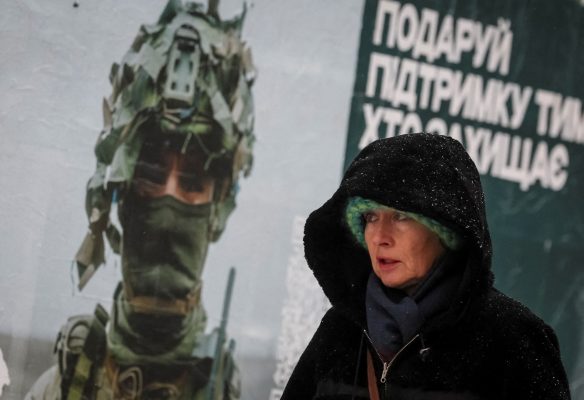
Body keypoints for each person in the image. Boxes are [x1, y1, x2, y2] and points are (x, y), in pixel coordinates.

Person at [25, 1, 256, 399]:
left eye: (192, 181)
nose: (167, 210)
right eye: (149, 175)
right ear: (120, 193)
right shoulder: (62, 388)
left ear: (217, 208)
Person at [281, 133, 571, 399]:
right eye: (370, 217)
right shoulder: (341, 330)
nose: (380, 237)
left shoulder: (512, 340)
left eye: (400, 217)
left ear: (446, 231)